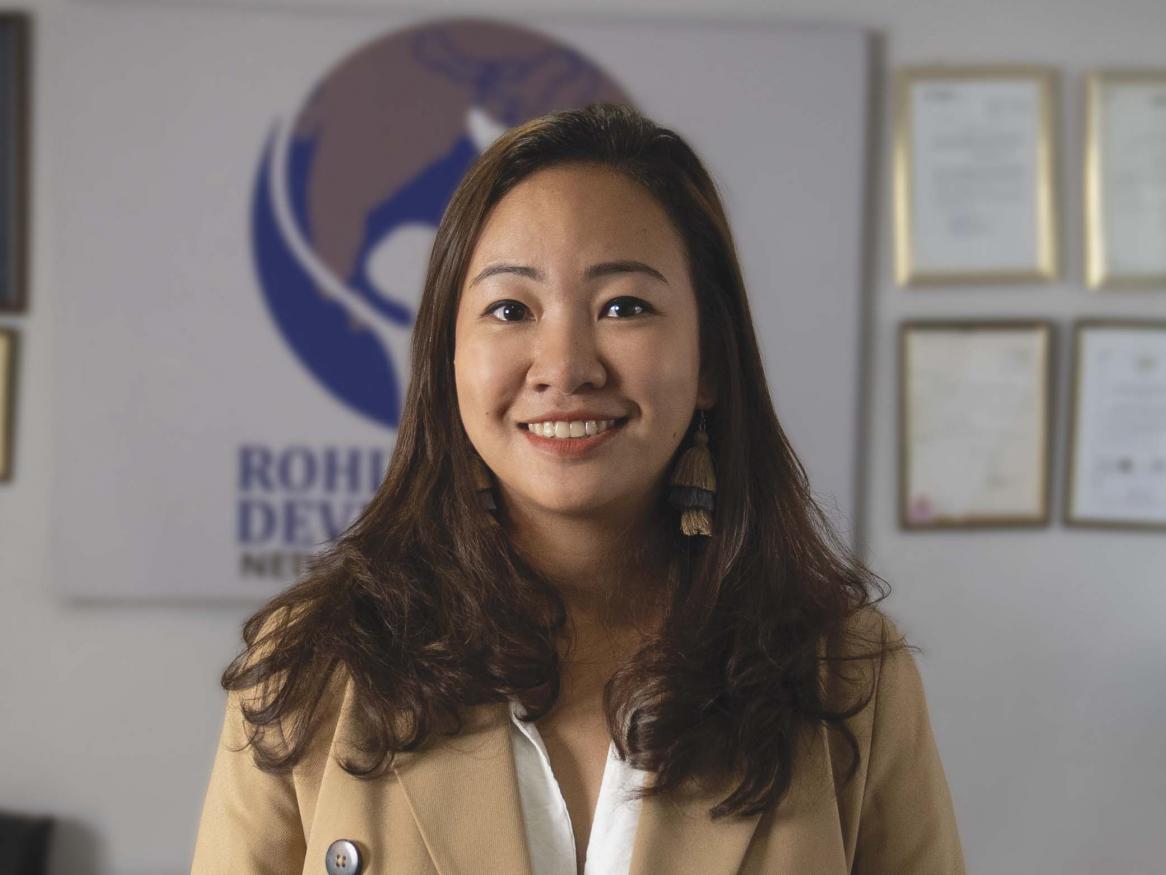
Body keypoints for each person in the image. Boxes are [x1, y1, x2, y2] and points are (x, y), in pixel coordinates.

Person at [192, 103, 965, 875]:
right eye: (510, 309)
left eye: (623, 306)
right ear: (447, 362)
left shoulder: (849, 673)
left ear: (710, 363)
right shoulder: (310, 666)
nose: (564, 365)